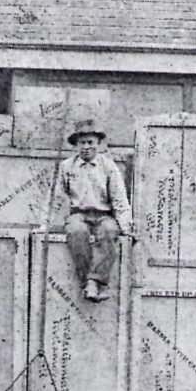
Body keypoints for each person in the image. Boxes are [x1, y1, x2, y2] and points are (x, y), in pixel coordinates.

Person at [55, 119, 133, 302]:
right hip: (78, 215)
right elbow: (57, 197)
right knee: (76, 231)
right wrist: (45, 224)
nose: (86, 147)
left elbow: (119, 198)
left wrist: (127, 227)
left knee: (110, 231)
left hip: (103, 215)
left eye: (90, 142)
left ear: (98, 144)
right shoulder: (67, 167)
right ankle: (87, 283)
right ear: (76, 145)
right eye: (82, 143)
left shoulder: (108, 167)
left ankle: (94, 281)